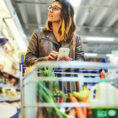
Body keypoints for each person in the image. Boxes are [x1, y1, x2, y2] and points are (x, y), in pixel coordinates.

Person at [24, 0, 84, 67]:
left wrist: (70, 64)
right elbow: (27, 60)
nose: (50, 10)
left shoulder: (76, 39)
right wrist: (45, 60)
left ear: (65, 13)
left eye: (55, 8)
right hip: (44, 77)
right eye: (50, 7)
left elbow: (81, 62)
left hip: (66, 77)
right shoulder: (38, 34)